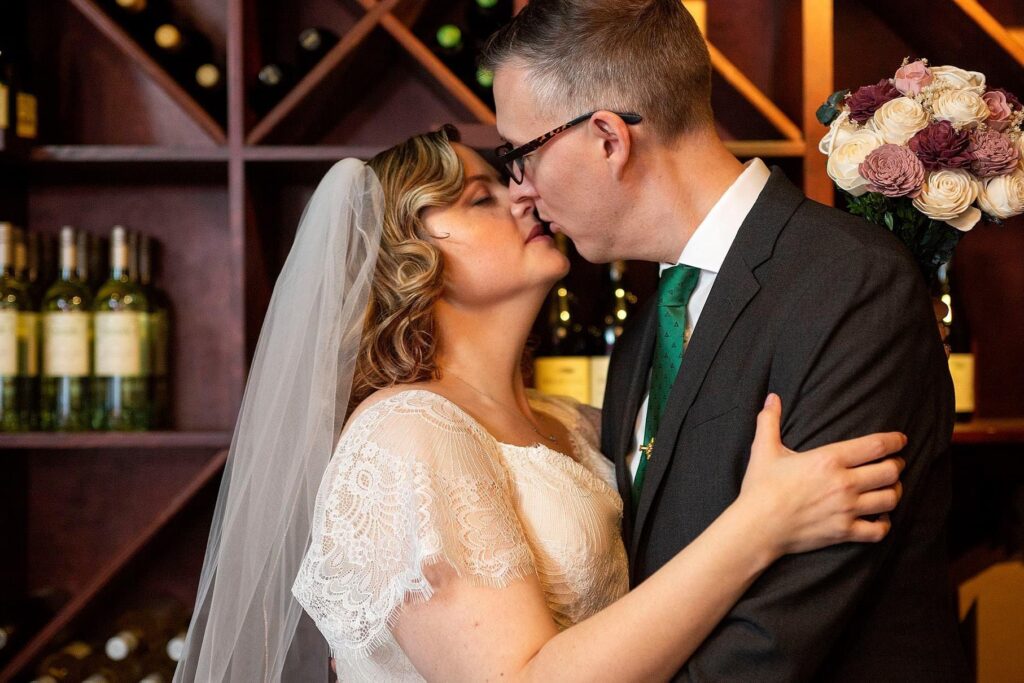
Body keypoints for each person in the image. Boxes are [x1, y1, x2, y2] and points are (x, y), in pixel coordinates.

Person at [173, 127, 906, 682]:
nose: (523, 196)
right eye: (478, 198)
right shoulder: (403, 433)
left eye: (506, 183)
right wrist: (761, 524)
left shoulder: (576, 422)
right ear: (409, 257)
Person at [482, 1, 968, 680]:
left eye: (521, 154)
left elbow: (778, 636)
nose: (522, 191)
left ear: (606, 138)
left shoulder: (850, 283)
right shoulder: (648, 327)